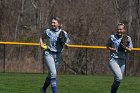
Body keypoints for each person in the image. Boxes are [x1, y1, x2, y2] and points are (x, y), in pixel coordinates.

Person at [40, 17, 70, 93]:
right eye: (52, 22)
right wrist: (41, 44)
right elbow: (41, 37)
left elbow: (67, 44)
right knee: (54, 73)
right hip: (48, 53)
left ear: (59, 24)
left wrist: (66, 45)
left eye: (54, 22)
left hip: (58, 55)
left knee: (51, 75)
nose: (52, 24)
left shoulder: (63, 33)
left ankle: (43, 89)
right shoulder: (48, 31)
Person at [106, 23, 133, 93]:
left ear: (124, 30)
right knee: (119, 77)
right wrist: (111, 49)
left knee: (118, 80)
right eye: (118, 29)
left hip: (122, 60)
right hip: (113, 59)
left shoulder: (128, 38)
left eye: (120, 29)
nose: (119, 31)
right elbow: (107, 47)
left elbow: (130, 50)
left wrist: (125, 47)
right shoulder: (112, 37)